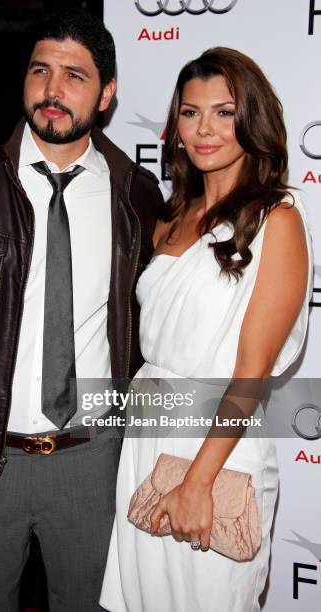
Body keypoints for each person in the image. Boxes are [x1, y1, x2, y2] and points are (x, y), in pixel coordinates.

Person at [0, 10, 163, 612]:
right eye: (41, 70)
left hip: (92, 459)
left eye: (74, 75)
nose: (52, 90)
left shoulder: (136, 196)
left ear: (107, 93)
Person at [100, 47, 313, 612]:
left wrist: (197, 483)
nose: (205, 130)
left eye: (224, 112)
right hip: (147, 438)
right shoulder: (171, 217)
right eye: (190, 113)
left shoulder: (278, 220)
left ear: (252, 121)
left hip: (218, 450)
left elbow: (251, 374)